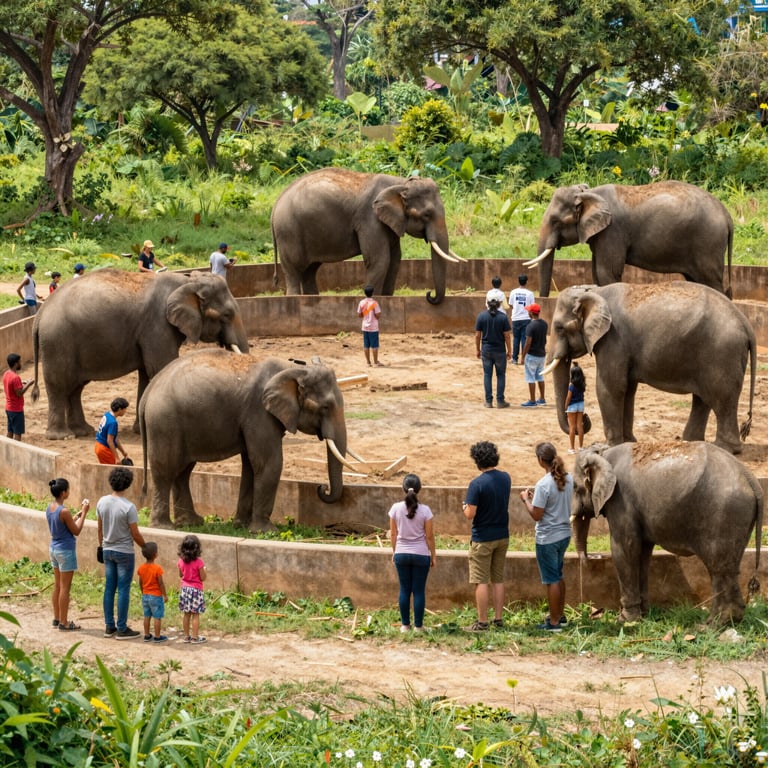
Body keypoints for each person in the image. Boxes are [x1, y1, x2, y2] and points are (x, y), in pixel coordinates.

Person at [519, 442, 572, 631]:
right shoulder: (568, 478)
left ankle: (554, 622)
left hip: (548, 537)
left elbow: (536, 515)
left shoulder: (543, 484)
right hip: (564, 534)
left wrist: (526, 499)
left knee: (551, 579)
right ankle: (560, 615)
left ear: (541, 460)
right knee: (558, 575)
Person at [462, 441, 511, 631]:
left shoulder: (476, 484)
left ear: (477, 461)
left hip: (482, 537)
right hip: (502, 535)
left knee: (481, 580)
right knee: (498, 579)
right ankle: (498, 619)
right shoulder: (506, 478)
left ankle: (482, 621)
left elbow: (470, 514)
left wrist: (465, 506)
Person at [97, 466, 146, 639]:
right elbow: (135, 533)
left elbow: (100, 528)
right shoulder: (129, 507)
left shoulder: (102, 502)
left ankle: (109, 626)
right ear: (127, 484)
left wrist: (101, 546)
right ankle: (122, 628)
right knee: (123, 589)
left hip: (107, 549)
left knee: (110, 588)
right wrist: (145, 546)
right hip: (124, 552)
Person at [388, 473, 436, 633]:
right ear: (419, 489)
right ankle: (419, 626)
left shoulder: (395, 508)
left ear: (403, 488)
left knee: (404, 590)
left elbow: (393, 534)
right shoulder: (425, 511)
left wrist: (395, 552)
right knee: (418, 591)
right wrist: (433, 555)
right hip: (421, 554)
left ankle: (405, 625)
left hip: (401, 552)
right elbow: (429, 536)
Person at [46, 478, 90, 631]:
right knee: (65, 588)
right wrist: (84, 513)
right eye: (68, 490)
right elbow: (76, 530)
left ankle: (57, 618)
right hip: (65, 550)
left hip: (54, 548)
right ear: (64, 493)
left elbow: (65, 524)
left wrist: (76, 516)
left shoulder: (50, 507)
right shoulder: (64, 511)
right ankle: (64, 623)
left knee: (58, 585)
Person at [475, 297, 512, 408]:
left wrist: (477, 349)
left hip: (486, 350)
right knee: (501, 375)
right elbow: (507, 335)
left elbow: (477, 335)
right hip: (500, 350)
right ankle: (500, 400)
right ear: (499, 305)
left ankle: (488, 401)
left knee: (487, 375)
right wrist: (509, 350)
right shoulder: (503, 317)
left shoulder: (481, 316)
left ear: (487, 304)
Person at [178, 534, 207, 644]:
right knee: (195, 614)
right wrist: (205, 570)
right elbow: (202, 578)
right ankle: (195, 638)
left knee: (186, 614)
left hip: (185, 589)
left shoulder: (180, 561)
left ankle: (186, 637)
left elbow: (181, 575)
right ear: (197, 548)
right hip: (196, 590)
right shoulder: (199, 562)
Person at [137, 542, 168, 643]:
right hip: (156, 596)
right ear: (155, 554)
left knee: (147, 616)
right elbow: (161, 584)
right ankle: (158, 636)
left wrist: (143, 592)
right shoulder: (157, 568)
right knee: (157, 617)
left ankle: (146, 635)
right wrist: (165, 595)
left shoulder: (141, 568)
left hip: (145, 596)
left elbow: (140, 582)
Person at [520, 303, 547, 407]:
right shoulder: (544, 324)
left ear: (531, 313)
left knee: (530, 377)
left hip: (532, 355)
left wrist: (523, 356)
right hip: (541, 354)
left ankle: (532, 400)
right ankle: (542, 398)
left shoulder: (530, 326)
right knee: (540, 376)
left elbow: (528, 342)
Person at [3, 353, 34, 441]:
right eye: (20, 361)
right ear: (16, 363)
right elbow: (19, 393)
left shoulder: (6, 374)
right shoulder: (15, 378)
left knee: (10, 431)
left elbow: (12, 386)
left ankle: (6, 450)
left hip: (9, 408)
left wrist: (23, 382)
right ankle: (16, 454)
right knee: (17, 434)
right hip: (16, 410)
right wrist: (29, 384)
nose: (21, 363)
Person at [94, 397, 131, 465]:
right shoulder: (113, 423)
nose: (125, 411)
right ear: (120, 409)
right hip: (104, 449)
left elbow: (115, 438)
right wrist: (117, 458)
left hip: (98, 445)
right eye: (125, 409)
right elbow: (110, 441)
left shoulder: (107, 414)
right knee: (113, 470)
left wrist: (123, 452)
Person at [509, 274, 535, 364]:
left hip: (515, 318)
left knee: (516, 338)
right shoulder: (530, 293)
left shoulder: (513, 292)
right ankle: (524, 359)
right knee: (525, 338)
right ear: (526, 282)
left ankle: (514, 359)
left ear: (518, 281)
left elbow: (511, 304)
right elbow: (532, 307)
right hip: (526, 318)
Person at [357, 285, 382, 367]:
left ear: (365, 293)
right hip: (373, 327)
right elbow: (378, 315)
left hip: (365, 326)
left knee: (366, 345)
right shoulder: (375, 303)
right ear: (372, 293)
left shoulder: (361, 302)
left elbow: (359, 315)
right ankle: (375, 363)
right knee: (374, 345)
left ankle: (368, 362)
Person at [564, 362, 586, 453]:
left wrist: (565, 406)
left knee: (572, 427)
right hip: (580, 405)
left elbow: (569, 397)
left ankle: (572, 448)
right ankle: (581, 447)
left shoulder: (571, 386)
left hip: (572, 406)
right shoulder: (582, 384)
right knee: (579, 426)